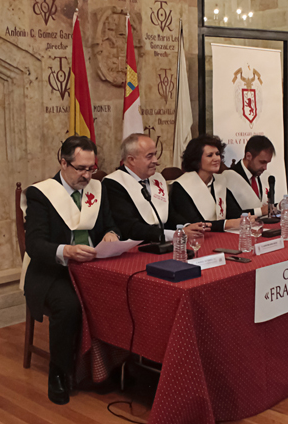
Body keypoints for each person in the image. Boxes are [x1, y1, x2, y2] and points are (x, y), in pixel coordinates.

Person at [22, 136, 120, 404]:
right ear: (63, 163)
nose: (88, 176)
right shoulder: (41, 194)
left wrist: (111, 232)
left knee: (123, 293)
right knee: (69, 305)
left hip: (94, 267)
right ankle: (59, 372)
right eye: (81, 169)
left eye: (92, 168)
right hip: (53, 270)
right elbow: (35, 245)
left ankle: (109, 367)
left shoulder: (98, 189)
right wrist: (66, 251)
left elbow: (112, 223)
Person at [104, 134, 208, 242]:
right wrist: (174, 234)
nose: (155, 160)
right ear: (131, 160)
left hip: (164, 242)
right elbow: (128, 226)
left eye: (155, 154)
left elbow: (168, 214)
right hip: (136, 247)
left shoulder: (157, 178)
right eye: (149, 156)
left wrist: (186, 226)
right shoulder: (114, 183)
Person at [168, 134, 253, 232]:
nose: (216, 159)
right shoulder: (181, 186)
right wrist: (227, 224)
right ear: (196, 160)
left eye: (217, 154)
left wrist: (246, 218)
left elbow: (233, 212)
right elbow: (194, 223)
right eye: (210, 155)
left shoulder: (219, 181)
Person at [224, 134, 275, 216]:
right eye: (262, 162)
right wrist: (260, 211)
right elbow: (229, 214)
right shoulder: (228, 178)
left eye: (267, 163)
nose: (265, 168)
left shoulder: (264, 176)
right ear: (248, 156)